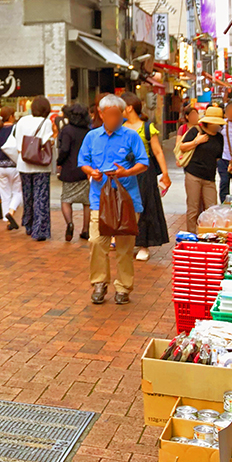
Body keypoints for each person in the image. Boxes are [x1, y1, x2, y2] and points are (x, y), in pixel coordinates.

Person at [78, 94, 149, 305]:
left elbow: (143, 163)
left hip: (127, 199)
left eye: (118, 115)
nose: (116, 119)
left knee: (125, 247)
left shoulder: (131, 136)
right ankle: (99, 283)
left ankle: (124, 287)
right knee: (96, 242)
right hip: (99, 198)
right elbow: (83, 161)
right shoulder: (91, 137)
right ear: (101, 114)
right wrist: (92, 171)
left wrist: (126, 173)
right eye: (111, 115)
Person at [120, 93, 171, 261]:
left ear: (128, 107)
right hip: (124, 171)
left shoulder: (148, 127)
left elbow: (157, 152)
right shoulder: (119, 127)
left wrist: (165, 174)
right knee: (125, 207)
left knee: (145, 206)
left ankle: (144, 244)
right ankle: (127, 240)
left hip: (144, 172)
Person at [8, 96, 56, 241]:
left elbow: (17, 142)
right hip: (41, 164)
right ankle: (39, 230)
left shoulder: (22, 121)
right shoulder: (46, 122)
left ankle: (28, 225)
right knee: (41, 196)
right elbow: (48, 142)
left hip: (24, 163)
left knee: (28, 197)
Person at [178, 106, 226, 232]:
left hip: (210, 177)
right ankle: (191, 235)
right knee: (193, 208)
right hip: (193, 174)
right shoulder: (196, 131)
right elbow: (181, 147)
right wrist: (196, 142)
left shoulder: (219, 138)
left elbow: (217, 157)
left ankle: (208, 234)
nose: (217, 126)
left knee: (212, 208)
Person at [56, 103, 90, 242]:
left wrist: (59, 162)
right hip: (85, 170)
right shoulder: (88, 131)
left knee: (66, 199)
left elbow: (64, 149)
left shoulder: (67, 130)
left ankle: (69, 223)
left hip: (69, 170)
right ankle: (85, 230)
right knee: (87, 202)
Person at [0, 107, 22, 230]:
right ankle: (11, 213)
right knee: (18, 192)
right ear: (12, 116)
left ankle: (7, 220)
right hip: (14, 165)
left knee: (5, 194)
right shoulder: (16, 128)